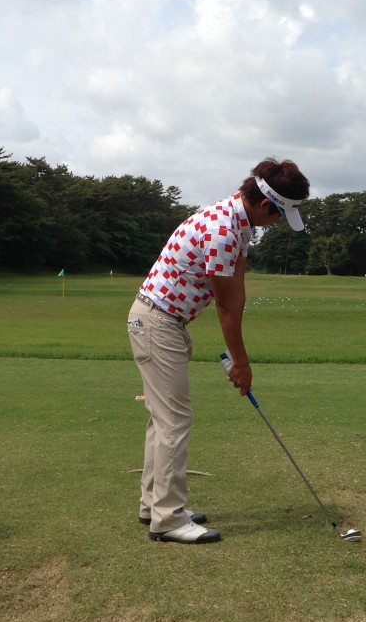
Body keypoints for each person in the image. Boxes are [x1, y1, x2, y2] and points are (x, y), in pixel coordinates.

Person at [127, 158, 310, 545]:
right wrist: (240, 362)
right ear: (265, 205)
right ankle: (168, 518)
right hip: (157, 321)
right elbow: (225, 307)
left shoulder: (238, 222)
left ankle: (154, 505)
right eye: (280, 216)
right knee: (174, 421)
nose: (279, 223)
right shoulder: (224, 229)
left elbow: (236, 292)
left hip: (164, 321)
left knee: (164, 421)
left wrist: (240, 357)